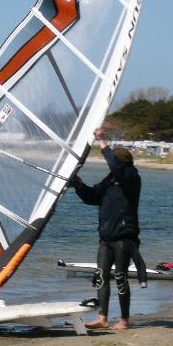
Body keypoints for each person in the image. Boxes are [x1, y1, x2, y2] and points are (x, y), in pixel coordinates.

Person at [69, 128, 143, 331]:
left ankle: (124, 320)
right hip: (106, 238)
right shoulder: (110, 180)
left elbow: (116, 167)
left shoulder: (131, 177)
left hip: (125, 238)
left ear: (123, 163)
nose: (113, 166)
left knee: (120, 277)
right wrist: (79, 185)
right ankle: (103, 317)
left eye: (116, 162)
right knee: (101, 276)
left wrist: (102, 142)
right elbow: (92, 197)